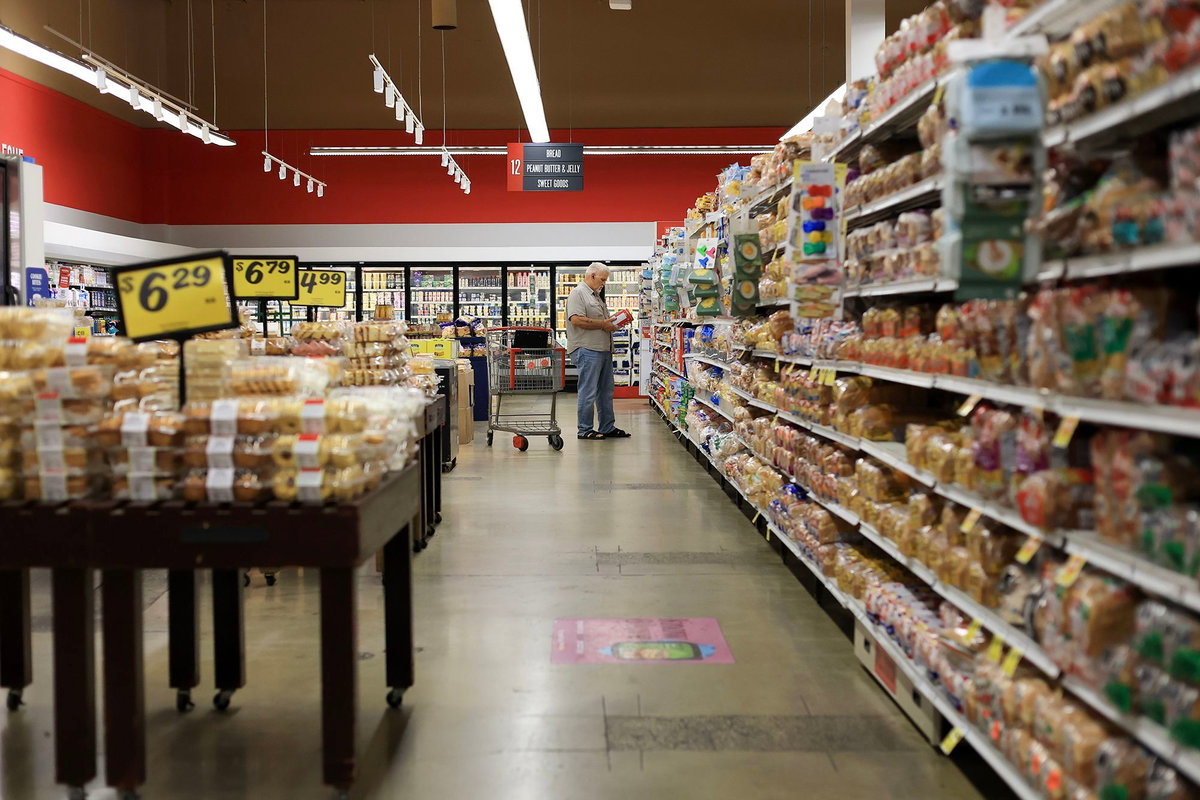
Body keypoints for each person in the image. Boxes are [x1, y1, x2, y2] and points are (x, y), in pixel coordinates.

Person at [565, 263, 631, 441]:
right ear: (592, 275)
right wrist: (603, 324)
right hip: (587, 349)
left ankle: (607, 427)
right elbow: (576, 320)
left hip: (603, 349)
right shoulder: (578, 293)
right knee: (588, 391)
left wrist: (613, 323)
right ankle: (584, 429)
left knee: (605, 391)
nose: (604, 283)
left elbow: (601, 322)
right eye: (602, 279)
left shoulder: (595, 296)